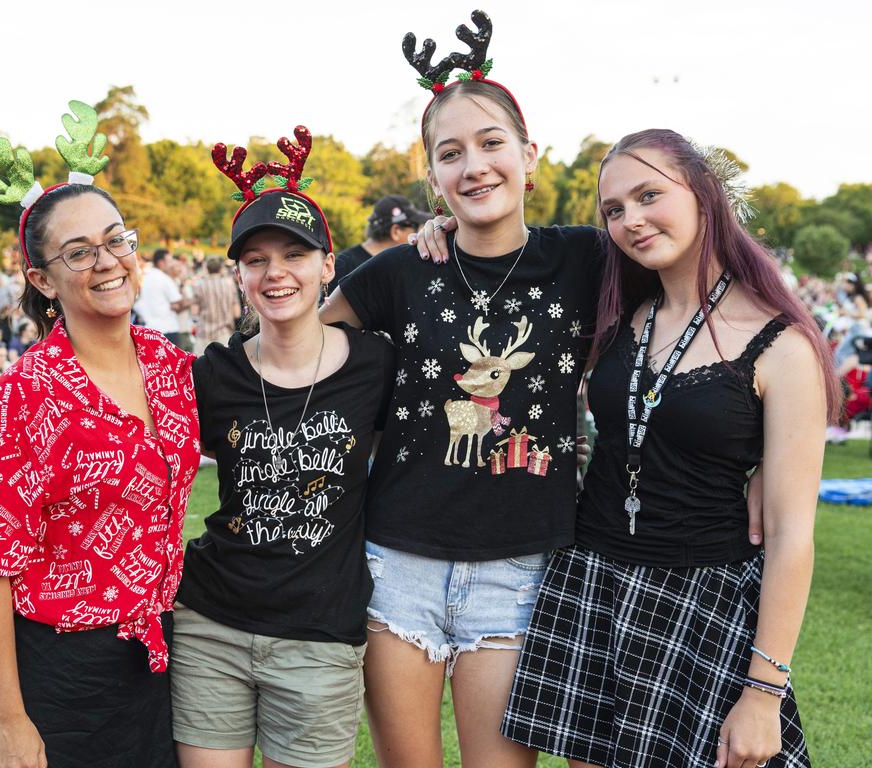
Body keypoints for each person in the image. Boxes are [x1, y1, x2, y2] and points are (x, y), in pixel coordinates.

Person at [320, 12, 605, 766]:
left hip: (518, 570)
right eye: (451, 154)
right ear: (433, 178)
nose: (474, 166)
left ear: (528, 154)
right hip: (398, 565)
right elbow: (298, 350)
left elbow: (695, 275)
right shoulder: (398, 272)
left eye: (490, 144)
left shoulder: (586, 260)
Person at [499, 129, 834, 768]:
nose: (632, 220)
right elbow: (503, 261)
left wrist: (764, 693)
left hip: (701, 600)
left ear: (704, 193)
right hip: (592, 581)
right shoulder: (619, 313)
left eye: (650, 194)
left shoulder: (781, 344)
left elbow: (793, 532)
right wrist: (436, 228)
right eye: (614, 210)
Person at [0, 101, 200, 768]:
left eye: (116, 240)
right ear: (42, 278)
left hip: (144, 668)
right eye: (79, 252)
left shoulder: (172, 368)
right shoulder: (24, 395)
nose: (107, 261)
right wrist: (8, 721)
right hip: (47, 670)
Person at [171, 127, 394, 768]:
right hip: (210, 625)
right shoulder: (213, 375)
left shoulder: (376, 365)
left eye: (294, 255)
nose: (276, 274)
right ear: (239, 276)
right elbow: (118, 430)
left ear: (328, 265)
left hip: (320, 636)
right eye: (256, 260)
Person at [327, 195, 431, 292]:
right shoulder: (343, 267)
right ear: (396, 231)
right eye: (415, 227)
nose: (417, 234)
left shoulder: (399, 264)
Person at [135, 248, 191, 345]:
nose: (171, 264)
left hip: (151, 329)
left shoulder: (147, 277)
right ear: (161, 263)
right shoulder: (164, 279)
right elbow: (178, 303)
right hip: (168, 329)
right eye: (169, 261)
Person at [191, 256, 240, 349]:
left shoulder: (199, 285)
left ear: (207, 269)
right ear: (221, 269)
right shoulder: (229, 285)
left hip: (204, 334)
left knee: (202, 363)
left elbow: (194, 312)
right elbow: (236, 313)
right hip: (224, 333)